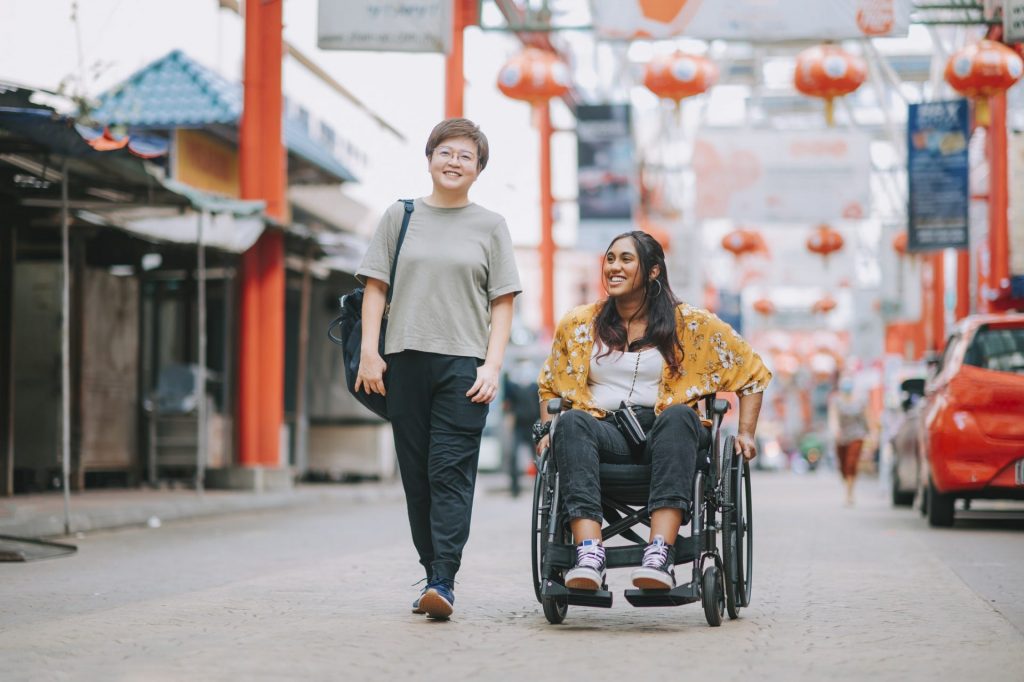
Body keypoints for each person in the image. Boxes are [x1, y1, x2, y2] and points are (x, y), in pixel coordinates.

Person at [536, 231, 772, 591]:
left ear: (653, 272)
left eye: (626, 259)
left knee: (680, 416)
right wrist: (547, 429)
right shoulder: (579, 325)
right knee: (570, 422)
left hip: (667, 433)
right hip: (603, 432)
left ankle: (660, 553)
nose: (614, 267)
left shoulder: (692, 325)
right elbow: (551, 384)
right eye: (610, 258)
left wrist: (746, 433)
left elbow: (752, 372)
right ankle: (588, 552)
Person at [355, 118, 522, 620]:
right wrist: (369, 350)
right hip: (403, 361)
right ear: (429, 159)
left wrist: (492, 366)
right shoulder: (400, 216)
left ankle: (443, 580)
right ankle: (432, 571)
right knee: (417, 477)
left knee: (449, 472)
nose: (454, 162)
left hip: (462, 367)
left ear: (479, 169)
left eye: (465, 156)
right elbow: (375, 288)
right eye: (445, 152)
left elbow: (503, 303)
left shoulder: (490, 226)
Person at [827, 375, 875, 506]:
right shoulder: (836, 400)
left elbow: (867, 417)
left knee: (851, 463)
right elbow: (833, 417)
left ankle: (850, 493)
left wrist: (872, 434)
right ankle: (847, 484)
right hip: (842, 436)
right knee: (843, 466)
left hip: (857, 435)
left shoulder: (860, 400)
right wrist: (835, 430)